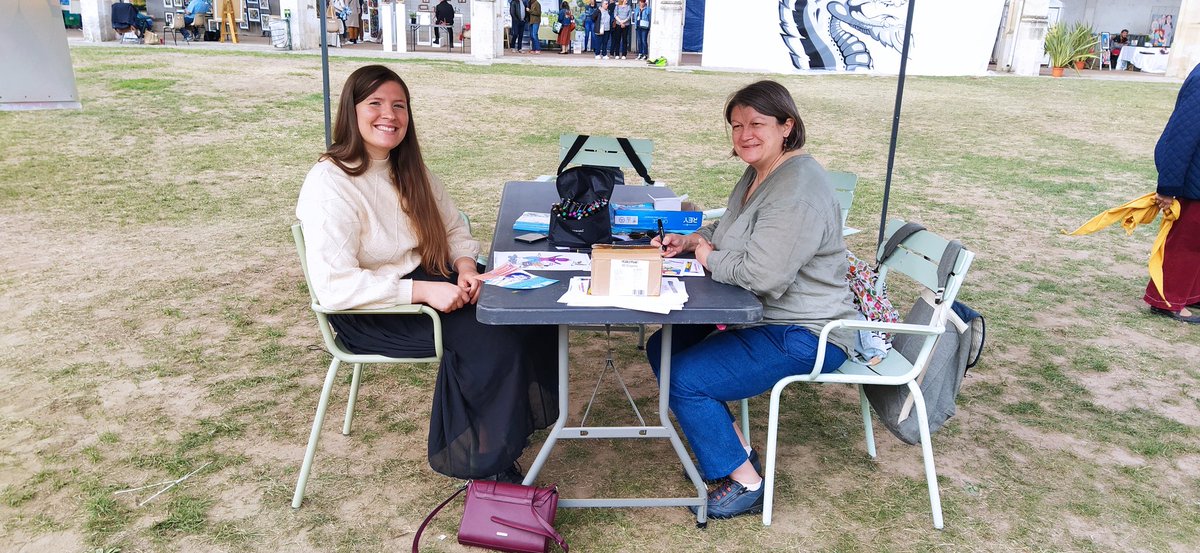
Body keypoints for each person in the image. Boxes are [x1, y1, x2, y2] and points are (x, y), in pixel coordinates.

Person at [295, 65, 559, 482]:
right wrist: (422, 293)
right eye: (376, 104)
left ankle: (512, 429)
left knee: (527, 308)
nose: (390, 115)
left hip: (426, 279)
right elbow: (335, 286)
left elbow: (454, 229)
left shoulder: (408, 168)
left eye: (399, 105)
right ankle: (485, 459)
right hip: (370, 310)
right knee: (490, 336)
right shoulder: (330, 182)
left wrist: (467, 267)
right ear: (352, 110)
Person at [648, 80, 860, 519]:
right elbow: (728, 233)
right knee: (662, 346)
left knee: (684, 375)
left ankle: (746, 482)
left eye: (757, 123)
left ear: (787, 126)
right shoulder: (761, 172)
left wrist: (705, 255)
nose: (745, 134)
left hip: (806, 332)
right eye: (736, 125)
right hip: (764, 317)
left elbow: (762, 275)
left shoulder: (797, 188)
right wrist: (691, 241)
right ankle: (734, 443)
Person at [1146, 63, 1200, 323]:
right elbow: (1182, 135)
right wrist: (1168, 187)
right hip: (1194, 177)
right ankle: (1167, 299)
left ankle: (1192, 293)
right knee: (1187, 241)